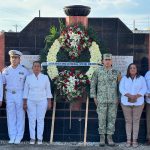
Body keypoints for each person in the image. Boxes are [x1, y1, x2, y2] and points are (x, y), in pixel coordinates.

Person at [90, 53, 121, 146]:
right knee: (102, 119)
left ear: (111, 61)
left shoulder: (117, 73)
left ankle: (110, 137)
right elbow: (93, 85)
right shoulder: (97, 72)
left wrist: (118, 98)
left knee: (112, 119)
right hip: (101, 100)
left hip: (113, 100)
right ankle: (102, 137)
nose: (107, 62)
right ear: (102, 61)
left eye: (109, 60)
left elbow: (120, 86)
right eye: (106, 60)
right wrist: (94, 97)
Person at [2, 50, 29, 144]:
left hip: (20, 94)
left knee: (20, 115)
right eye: (12, 58)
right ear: (10, 59)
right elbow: (3, 85)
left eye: (16, 58)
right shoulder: (5, 70)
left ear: (19, 59)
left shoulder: (24, 70)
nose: (14, 59)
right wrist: (3, 97)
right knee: (11, 116)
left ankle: (19, 137)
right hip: (9, 94)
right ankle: (12, 136)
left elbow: (28, 84)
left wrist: (26, 98)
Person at [23, 61, 52, 145]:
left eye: (38, 66)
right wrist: (24, 102)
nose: (36, 68)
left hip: (42, 101)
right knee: (32, 120)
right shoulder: (28, 78)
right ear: (32, 68)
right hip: (30, 101)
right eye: (35, 66)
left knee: (40, 119)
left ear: (41, 68)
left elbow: (48, 91)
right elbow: (25, 91)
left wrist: (49, 102)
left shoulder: (45, 77)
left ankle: (39, 138)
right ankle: (32, 138)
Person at [119, 63, 147, 148]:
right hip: (126, 103)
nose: (132, 69)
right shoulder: (124, 78)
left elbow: (144, 88)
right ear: (128, 70)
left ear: (137, 69)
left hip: (138, 103)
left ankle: (134, 140)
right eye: (131, 68)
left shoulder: (141, 78)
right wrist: (129, 95)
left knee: (136, 121)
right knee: (128, 121)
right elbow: (121, 88)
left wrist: (137, 96)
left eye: (134, 68)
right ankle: (128, 140)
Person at [145, 70, 150, 145]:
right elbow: (144, 86)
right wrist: (147, 93)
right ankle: (149, 137)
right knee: (149, 120)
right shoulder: (148, 73)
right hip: (149, 100)